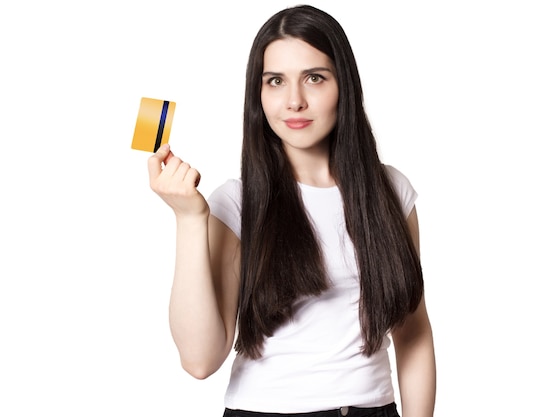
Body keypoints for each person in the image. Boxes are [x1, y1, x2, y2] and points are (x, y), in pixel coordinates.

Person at [147, 4, 436, 417]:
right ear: (258, 94)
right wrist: (190, 220)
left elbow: (414, 333)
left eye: (314, 78)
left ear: (344, 87)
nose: (294, 101)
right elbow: (200, 360)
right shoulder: (237, 203)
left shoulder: (392, 190)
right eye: (275, 81)